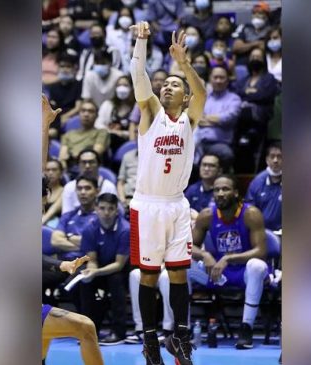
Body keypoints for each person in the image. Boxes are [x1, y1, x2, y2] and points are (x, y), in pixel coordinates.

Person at [128, 21, 207, 365]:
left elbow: (203, 94)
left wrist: (184, 64)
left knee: (178, 273)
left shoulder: (189, 119)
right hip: (147, 205)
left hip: (176, 205)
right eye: (166, 84)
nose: (168, 87)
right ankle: (150, 340)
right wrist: (141, 42)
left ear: (185, 96)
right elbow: (137, 74)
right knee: (148, 274)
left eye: (175, 85)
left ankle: (180, 336)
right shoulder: (149, 113)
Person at [190, 174, 269, 350]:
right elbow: (189, 247)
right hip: (219, 272)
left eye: (225, 189)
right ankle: (182, 328)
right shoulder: (207, 215)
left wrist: (228, 257)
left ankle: (246, 328)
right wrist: (204, 255)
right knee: (182, 265)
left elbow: (261, 251)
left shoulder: (251, 214)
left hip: (245, 272)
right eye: (217, 189)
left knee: (256, 266)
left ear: (235, 193)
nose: (220, 193)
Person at [78, 193, 130, 345]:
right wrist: (91, 271)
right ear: (96, 209)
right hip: (99, 267)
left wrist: (97, 272)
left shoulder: (125, 230)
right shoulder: (89, 229)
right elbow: (92, 260)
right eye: (102, 208)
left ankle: (119, 332)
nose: (106, 213)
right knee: (84, 284)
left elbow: (119, 264)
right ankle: (89, 331)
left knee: (116, 282)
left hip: (120, 270)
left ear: (116, 211)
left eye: (110, 209)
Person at [45, 176, 101, 309]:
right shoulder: (69, 215)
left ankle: (87, 323)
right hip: (63, 263)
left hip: (87, 263)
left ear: (97, 191)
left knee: (78, 283)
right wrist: (84, 242)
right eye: (79, 188)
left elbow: (99, 245)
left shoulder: (102, 216)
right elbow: (55, 241)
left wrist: (68, 237)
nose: (83, 192)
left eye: (87, 188)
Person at [195, 66, 241, 166]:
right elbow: (196, 118)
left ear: (227, 80)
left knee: (226, 154)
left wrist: (205, 119)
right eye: (215, 77)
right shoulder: (204, 98)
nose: (218, 81)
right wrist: (217, 121)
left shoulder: (234, 99)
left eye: (222, 77)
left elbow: (228, 118)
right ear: (210, 79)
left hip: (219, 143)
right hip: (198, 141)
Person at [61, 149, 118, 214]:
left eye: (91, 162)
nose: (87, 166)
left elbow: (113, 214)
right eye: (83, 162)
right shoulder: (69, 187)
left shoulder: (109, 186)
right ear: (78, 165)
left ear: (99, 164)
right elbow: (66, 214)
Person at [58, 101, 110, 171]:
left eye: (90, 111)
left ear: (96, 115)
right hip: (70, 169)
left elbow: (94, 154)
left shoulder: (102, 133)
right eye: (83, 111)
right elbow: (62, 157)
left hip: (90, 168)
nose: (86, 114)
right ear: (79, 114)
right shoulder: (69, 134)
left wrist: (72, 155)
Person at [245, 141, 282, 232]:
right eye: (272, 156)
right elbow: (250, 210)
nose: (275, 160)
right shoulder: (257, 182)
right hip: (262, 233)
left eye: (279, 157)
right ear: (266, 160)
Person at [45, 51, 82, 138]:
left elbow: (78, 107)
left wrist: (65, 117)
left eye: (68, 67)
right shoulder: (53, 86)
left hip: (72, 116)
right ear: (58, 68)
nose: (65, 69)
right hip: (56, 116)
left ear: (74, 69)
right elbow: (52, 106)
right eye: (62, 66)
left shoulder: (78, 84)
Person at [94, 75, 136, 152]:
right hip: (109, 137)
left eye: (125, 85)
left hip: (127, 140)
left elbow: (138, 130)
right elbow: (98, 124)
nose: (121, 88)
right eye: (119, 85)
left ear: (132, 88)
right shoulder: (108, 104)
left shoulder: (136, 107)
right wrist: (113, 132)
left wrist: (122, 133)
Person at [42, 160, 65, 227]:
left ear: (61, 173)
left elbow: (51, 213)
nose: (50, 173)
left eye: (54, 170)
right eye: (47, 170)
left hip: (54, 227)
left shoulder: (65, 191)